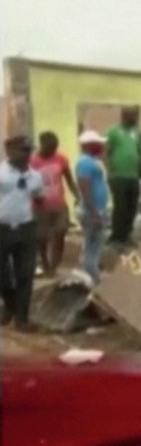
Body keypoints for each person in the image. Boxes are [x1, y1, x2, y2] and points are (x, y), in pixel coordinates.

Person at [0, 135, 44, 332]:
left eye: (29, 150)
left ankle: (22, 318)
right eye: (23, 150)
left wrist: (40, 225)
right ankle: (10, 306)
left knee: (26, 274)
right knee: (2, 276)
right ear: (9, 151)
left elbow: (39, 199)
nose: (27, 155)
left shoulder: (35, 176)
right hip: (2, 228)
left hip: (26, 228)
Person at [30, 131, 79, 277]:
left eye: (55, 147)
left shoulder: (61, 159)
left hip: (59, 204)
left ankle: (54, 265)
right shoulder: (32, 162)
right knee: (41, 237)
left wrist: (77, 194)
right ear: (42, 144)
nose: (53, 150)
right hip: (39, 207)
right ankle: (45, 263)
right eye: (51, 146)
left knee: (61, 231)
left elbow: (68, 178)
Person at [75, 131, 109, 284]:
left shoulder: (93, 161)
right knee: (92, 246)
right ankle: (92, 278)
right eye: (98, 144)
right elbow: (85, 187)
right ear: (89, 146)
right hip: (92, 211)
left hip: (97, 209)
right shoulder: (85, 163)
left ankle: (92, 276)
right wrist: (94, 212)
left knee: (95, 245)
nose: (101, 146)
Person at [105, 106, 141, 247]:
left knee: (132, 207)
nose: (136, 119)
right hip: (118, 176)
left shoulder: (135, 133)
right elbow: (106, 152)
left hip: (133, 176)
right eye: (133, 116)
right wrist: (108, 171)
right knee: (120, 207)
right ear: (125, 116)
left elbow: (138, 153)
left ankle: (127, 235)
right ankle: (117, 237)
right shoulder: (113, 132)